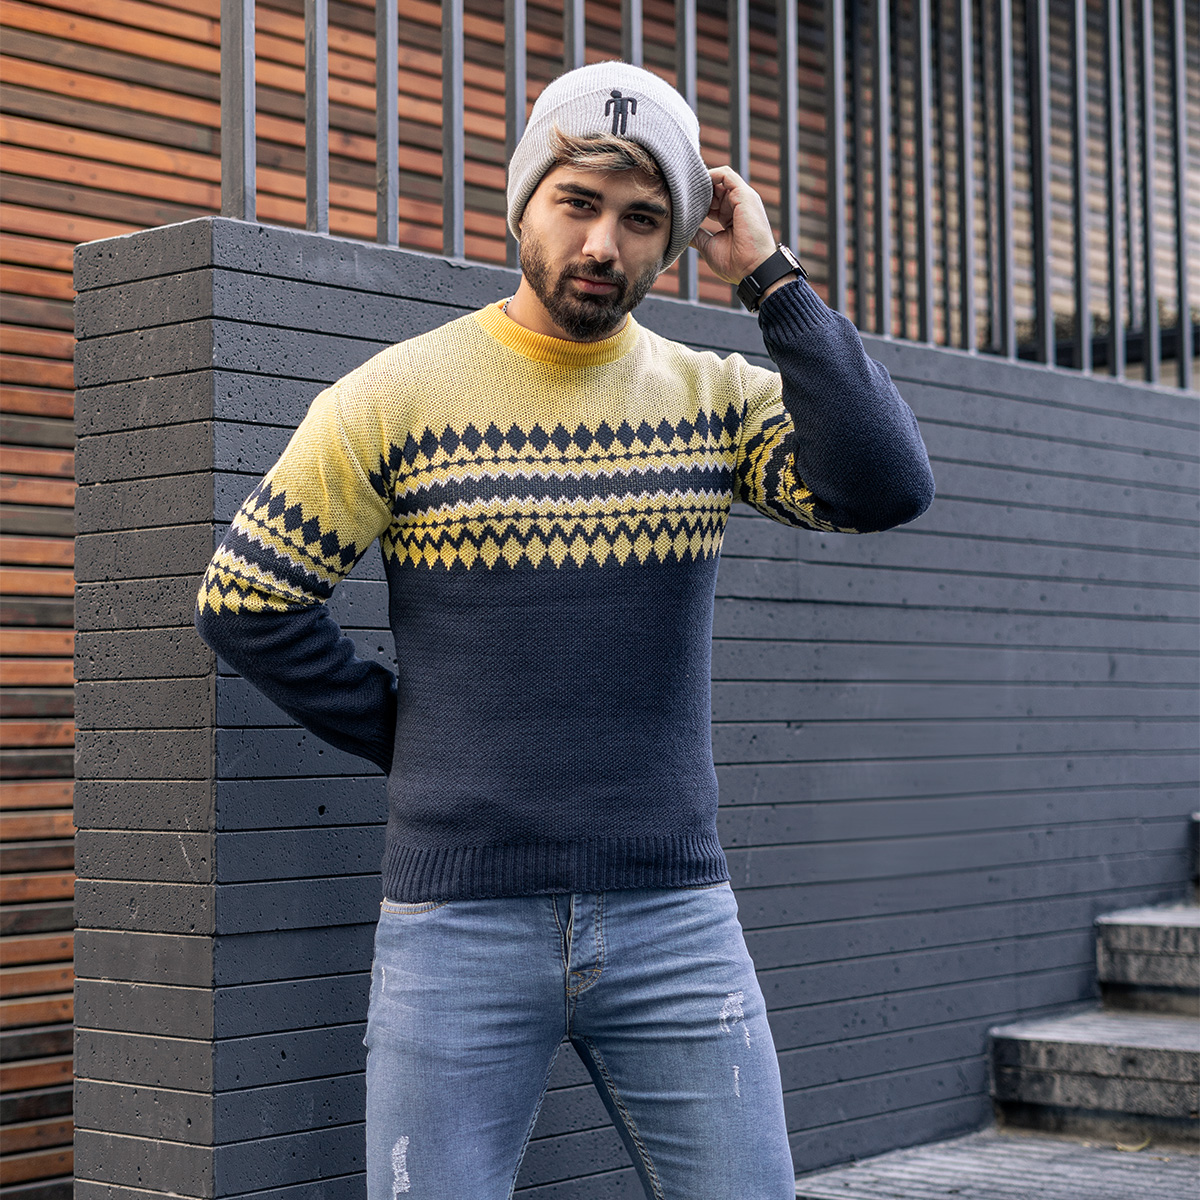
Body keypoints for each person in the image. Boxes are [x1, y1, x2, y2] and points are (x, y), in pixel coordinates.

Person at [195, 61, 933, 1200]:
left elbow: (883, 485)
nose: (602, 244)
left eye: (642, 219)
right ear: (523, 202)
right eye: (578, 202)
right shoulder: (393, 399)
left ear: (674, 240)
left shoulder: (714, 400)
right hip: (458, 928)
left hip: (676, 923)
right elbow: (246, 598)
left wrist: (772, 279)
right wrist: (415, 734)